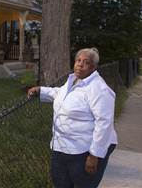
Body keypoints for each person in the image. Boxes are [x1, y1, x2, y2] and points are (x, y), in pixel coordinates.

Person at [27, 48, 117, 188]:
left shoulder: (99, 89)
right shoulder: (74, 80)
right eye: (78, 60)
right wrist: (41, 90)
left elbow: (104, 124)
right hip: (61, 145)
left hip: (84, 149)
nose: (80, 65)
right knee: (61, 183)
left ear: (93, 68)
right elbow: (62, 94)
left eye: (86, 62)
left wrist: (94, 155)